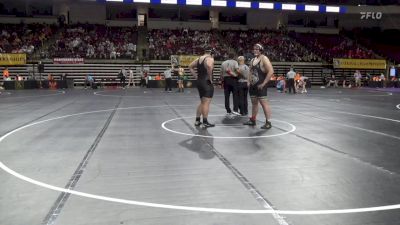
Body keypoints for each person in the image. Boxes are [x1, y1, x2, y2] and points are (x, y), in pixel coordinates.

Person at [243, 43, 274, 129]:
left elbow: (271, 71)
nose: (255, 51)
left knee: (264, 104)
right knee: (254, 103)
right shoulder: (253, 60)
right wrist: (248, 81)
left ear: (261, 50)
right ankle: (253, 120)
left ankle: (268, 122)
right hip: (253, 85)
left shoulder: (264, 58)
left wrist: (264, 83)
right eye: (254, 49)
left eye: (257, 49)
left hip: (260, 85)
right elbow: (250, 71)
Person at [189, 48, 215, 128]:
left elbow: (190, 66)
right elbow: (210, 66)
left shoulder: (199, 58)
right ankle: (205, 121)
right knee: (206, 103)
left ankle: (197, 121)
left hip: (199, 82)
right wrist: (210, 78)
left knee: (202, 102)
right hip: (206, 82)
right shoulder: (210, 58)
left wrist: (196, 76)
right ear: (211, 53)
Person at [220, 53, 240, 117]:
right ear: (233, 57)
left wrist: (222, 81)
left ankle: (228, 110)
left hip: (226, 80)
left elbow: (221, 73)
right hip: (233, 79)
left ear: (228, 57)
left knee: (226, 96)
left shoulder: (223, 63)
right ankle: (235, 110)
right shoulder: (235, 62)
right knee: (235, 95)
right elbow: (237, 70)